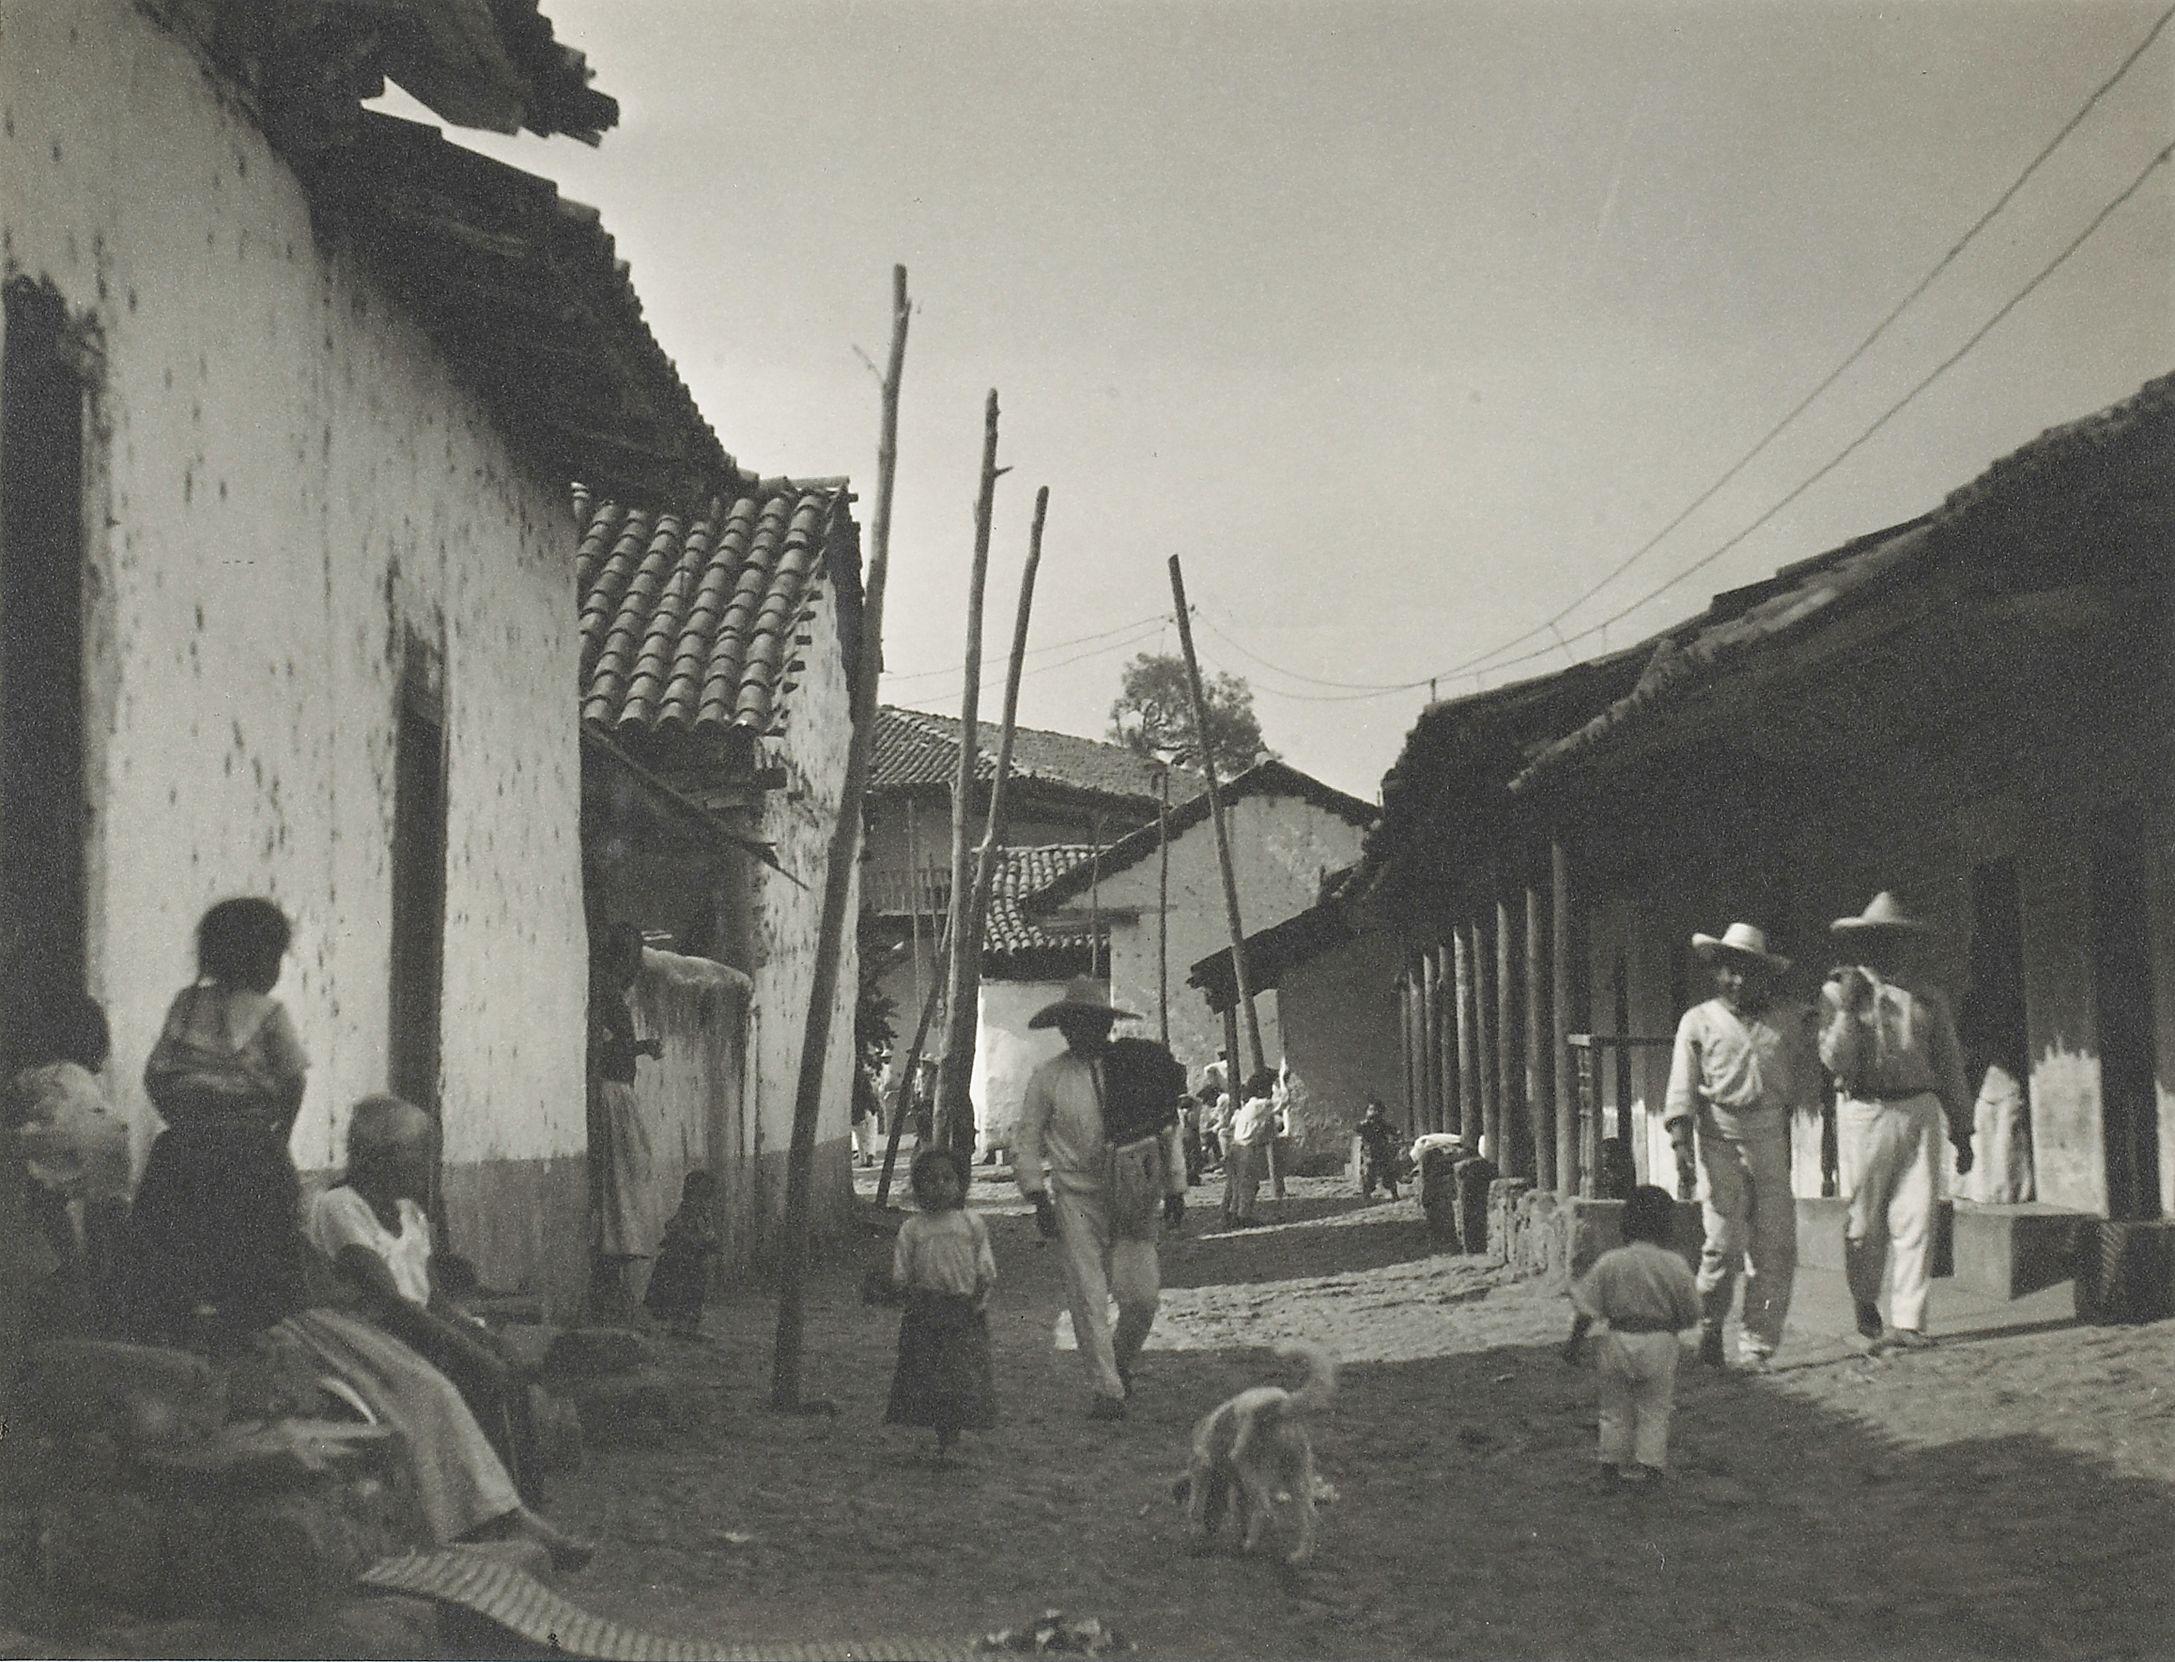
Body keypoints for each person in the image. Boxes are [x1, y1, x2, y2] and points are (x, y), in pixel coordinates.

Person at [308, 1094, 545, 1500]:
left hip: (419, 1331)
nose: (428, 1164)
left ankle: (520, 1499)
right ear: (384, 1157)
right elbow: (392, 1305)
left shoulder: (411, 1215)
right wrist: (470, 1351)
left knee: (507, 1365)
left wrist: (482, 1338)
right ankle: (487, 1508)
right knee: (476, 1374)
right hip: (378, 1340)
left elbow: (433, 1300)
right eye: (419, 1153)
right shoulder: (340, 1208)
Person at [128, 897, 310, 1343]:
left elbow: (156, 1075)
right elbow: (293, 1082)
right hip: (250, 1156)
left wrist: (185, 1120)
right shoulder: (271, 1014)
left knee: (177, 1268)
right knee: (253, 1274)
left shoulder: (186, 1004)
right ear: (264, 958)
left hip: (183, 1153)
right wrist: (276, 1138)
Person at [1015, 978, 1186, 1420]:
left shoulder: (1135, 1068)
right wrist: (1038, 1197)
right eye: (1073, 1023)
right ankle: (1107, 1389)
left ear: (1106, 1025)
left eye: (1091, 1022)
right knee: (1088, 1294)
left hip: (1132, 1193)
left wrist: (1175, 1187)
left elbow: (1165, 1126)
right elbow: (1028, 1138)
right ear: (1063, 1027)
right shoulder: (1048, 1078)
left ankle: (1121, 1362)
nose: (1081, 1031)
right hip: (1075, 1197)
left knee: (1142, 1296)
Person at [1820, 893, 1972, 1353]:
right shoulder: (1837, 993)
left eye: (1896, 941)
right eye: (1877, 941)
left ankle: (1909, 1321)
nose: (1888, 950)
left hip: (1919, 1108)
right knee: (1864, 1222)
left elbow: (1949, 1065)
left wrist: (1962, 1129)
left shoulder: (1927, 998)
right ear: (1863, 944)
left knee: (1918, 1216)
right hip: (1866, 1111)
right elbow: (1833, 1060)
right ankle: (1866, 1302)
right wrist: (1848, 1009)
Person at [1664, 921, 1818, 1374]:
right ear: (1717, 973)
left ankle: (1757, 1345)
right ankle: (1711, 1324)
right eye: (1730, 971)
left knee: (1775, 1245)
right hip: (1718, 1139)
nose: (1738, 981)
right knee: (1724, 1243)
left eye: (1748, 972)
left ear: (1764, 976)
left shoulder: (1787, 1018)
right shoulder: (1698, 1021)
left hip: (1770, 1138)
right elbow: (1681, 1086)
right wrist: (1680, 1142)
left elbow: (1830, 1022)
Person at [1562, 1185, 1702, 1484]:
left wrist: (1573, 1344)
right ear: (1667, 1226)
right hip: (1660, 1342)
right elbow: (1691, 1310)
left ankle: (1610, 1466)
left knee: (1614, 1407)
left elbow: (1586, 1308)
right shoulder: (1675, 1265)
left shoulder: (1610, 1262)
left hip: (1617, 1340)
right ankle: (1650, 1468)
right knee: (1655, 1408)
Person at [8, 992, 131, 1304]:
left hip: (57, 1141)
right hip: (108, 1133)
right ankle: (107, 1287)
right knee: (105, 1210)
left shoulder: (34, 1076)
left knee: (46, 1204)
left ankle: (65, 1281)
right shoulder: (88, 1080)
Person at [884, 1145, 997, 1460]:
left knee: (960, 1377)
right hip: (926, 1312)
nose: (940, 1186)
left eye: (948, 1178)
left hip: (964, 1311)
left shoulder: (971, 1224)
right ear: (918, 1187)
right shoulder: (913, 1229)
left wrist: (979, 1298)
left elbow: (984, 1267)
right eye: (931, 1180)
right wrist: (905, 1292)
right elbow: (902, 1272)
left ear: (961, 1183)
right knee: (930, 1377)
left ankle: (952, 1438)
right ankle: (940, 1434)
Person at [588, 920, 663, 1316]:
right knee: (622, 1181)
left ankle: (618, 1280)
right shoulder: (603, 994)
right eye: (631, 957)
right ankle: (613, 1281)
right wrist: (637, 1047)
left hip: (620, 1091)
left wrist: (636, 1047)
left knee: (628, 1180)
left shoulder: (610, 994)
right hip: (611, 1093)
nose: (635, 969)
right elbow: (604, 1046)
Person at [644, 1169, 720, 1338]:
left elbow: (706, 1233)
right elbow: (675, 1227)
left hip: (694, 1257)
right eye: (702, 1192)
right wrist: (691, 1238)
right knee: (683, 1291)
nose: (706, 1199)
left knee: (693, 1293)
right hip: (683, 1258)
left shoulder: (702, 1211)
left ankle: (688, 1328)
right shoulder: (689, 1208)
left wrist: (708, 1240)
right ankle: (679, 1328)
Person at [1223, 1070, 1280, 1226]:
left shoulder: (1249, 1105)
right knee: (1249, 1184)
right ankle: (1243, 1216)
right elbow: (1283, 1101)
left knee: (1236, 1184)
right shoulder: (1261, 1105)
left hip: (1235, 1147)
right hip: (1246, 1149)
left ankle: (1231, 1213)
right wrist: (1279, 1083)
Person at [1355, 1099, 1404, 1201]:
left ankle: (1394, 1194)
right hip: (1369, 1153)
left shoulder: (1383, 1124)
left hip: (1383, 1152)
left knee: (1389, 1173)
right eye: (1371, 1110)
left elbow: (1393, 1130)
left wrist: (1398, 1133)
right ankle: (1366, 1195)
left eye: (1376, 1110)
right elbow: (1357, 1129)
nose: (1373, 1112)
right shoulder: (1364, 1125)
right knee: (1368, 1174)